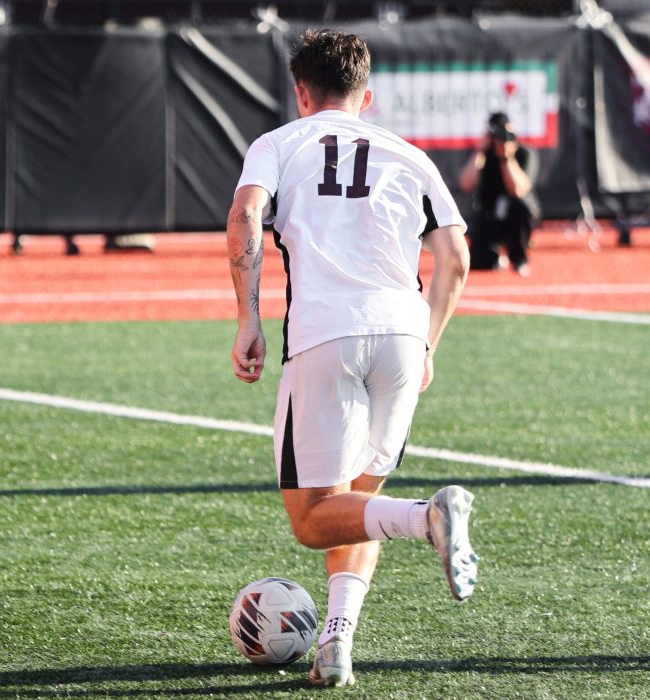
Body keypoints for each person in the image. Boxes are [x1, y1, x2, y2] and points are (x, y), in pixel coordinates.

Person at [226, 29, 478, 688]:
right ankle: (335, 645)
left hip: (325, 335)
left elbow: (246, 213)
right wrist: (428, 343)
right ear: (367, 96)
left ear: (301, 93)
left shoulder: (279, 143)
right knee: (360, 505)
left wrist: (249, 318)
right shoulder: (410, 154)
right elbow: (456, 258)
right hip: (402, 334)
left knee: (314, 518)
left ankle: (427, 518)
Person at [458, 112, 539, 276]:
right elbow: (465, 185)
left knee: (520, 206)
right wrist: (479, 152)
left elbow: (518, 190)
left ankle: (519, 260)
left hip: (517, 217)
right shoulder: (483, 156)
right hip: (491, 215)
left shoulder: (524, 153)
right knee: (479, 263)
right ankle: (494, 257)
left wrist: (506, 159)